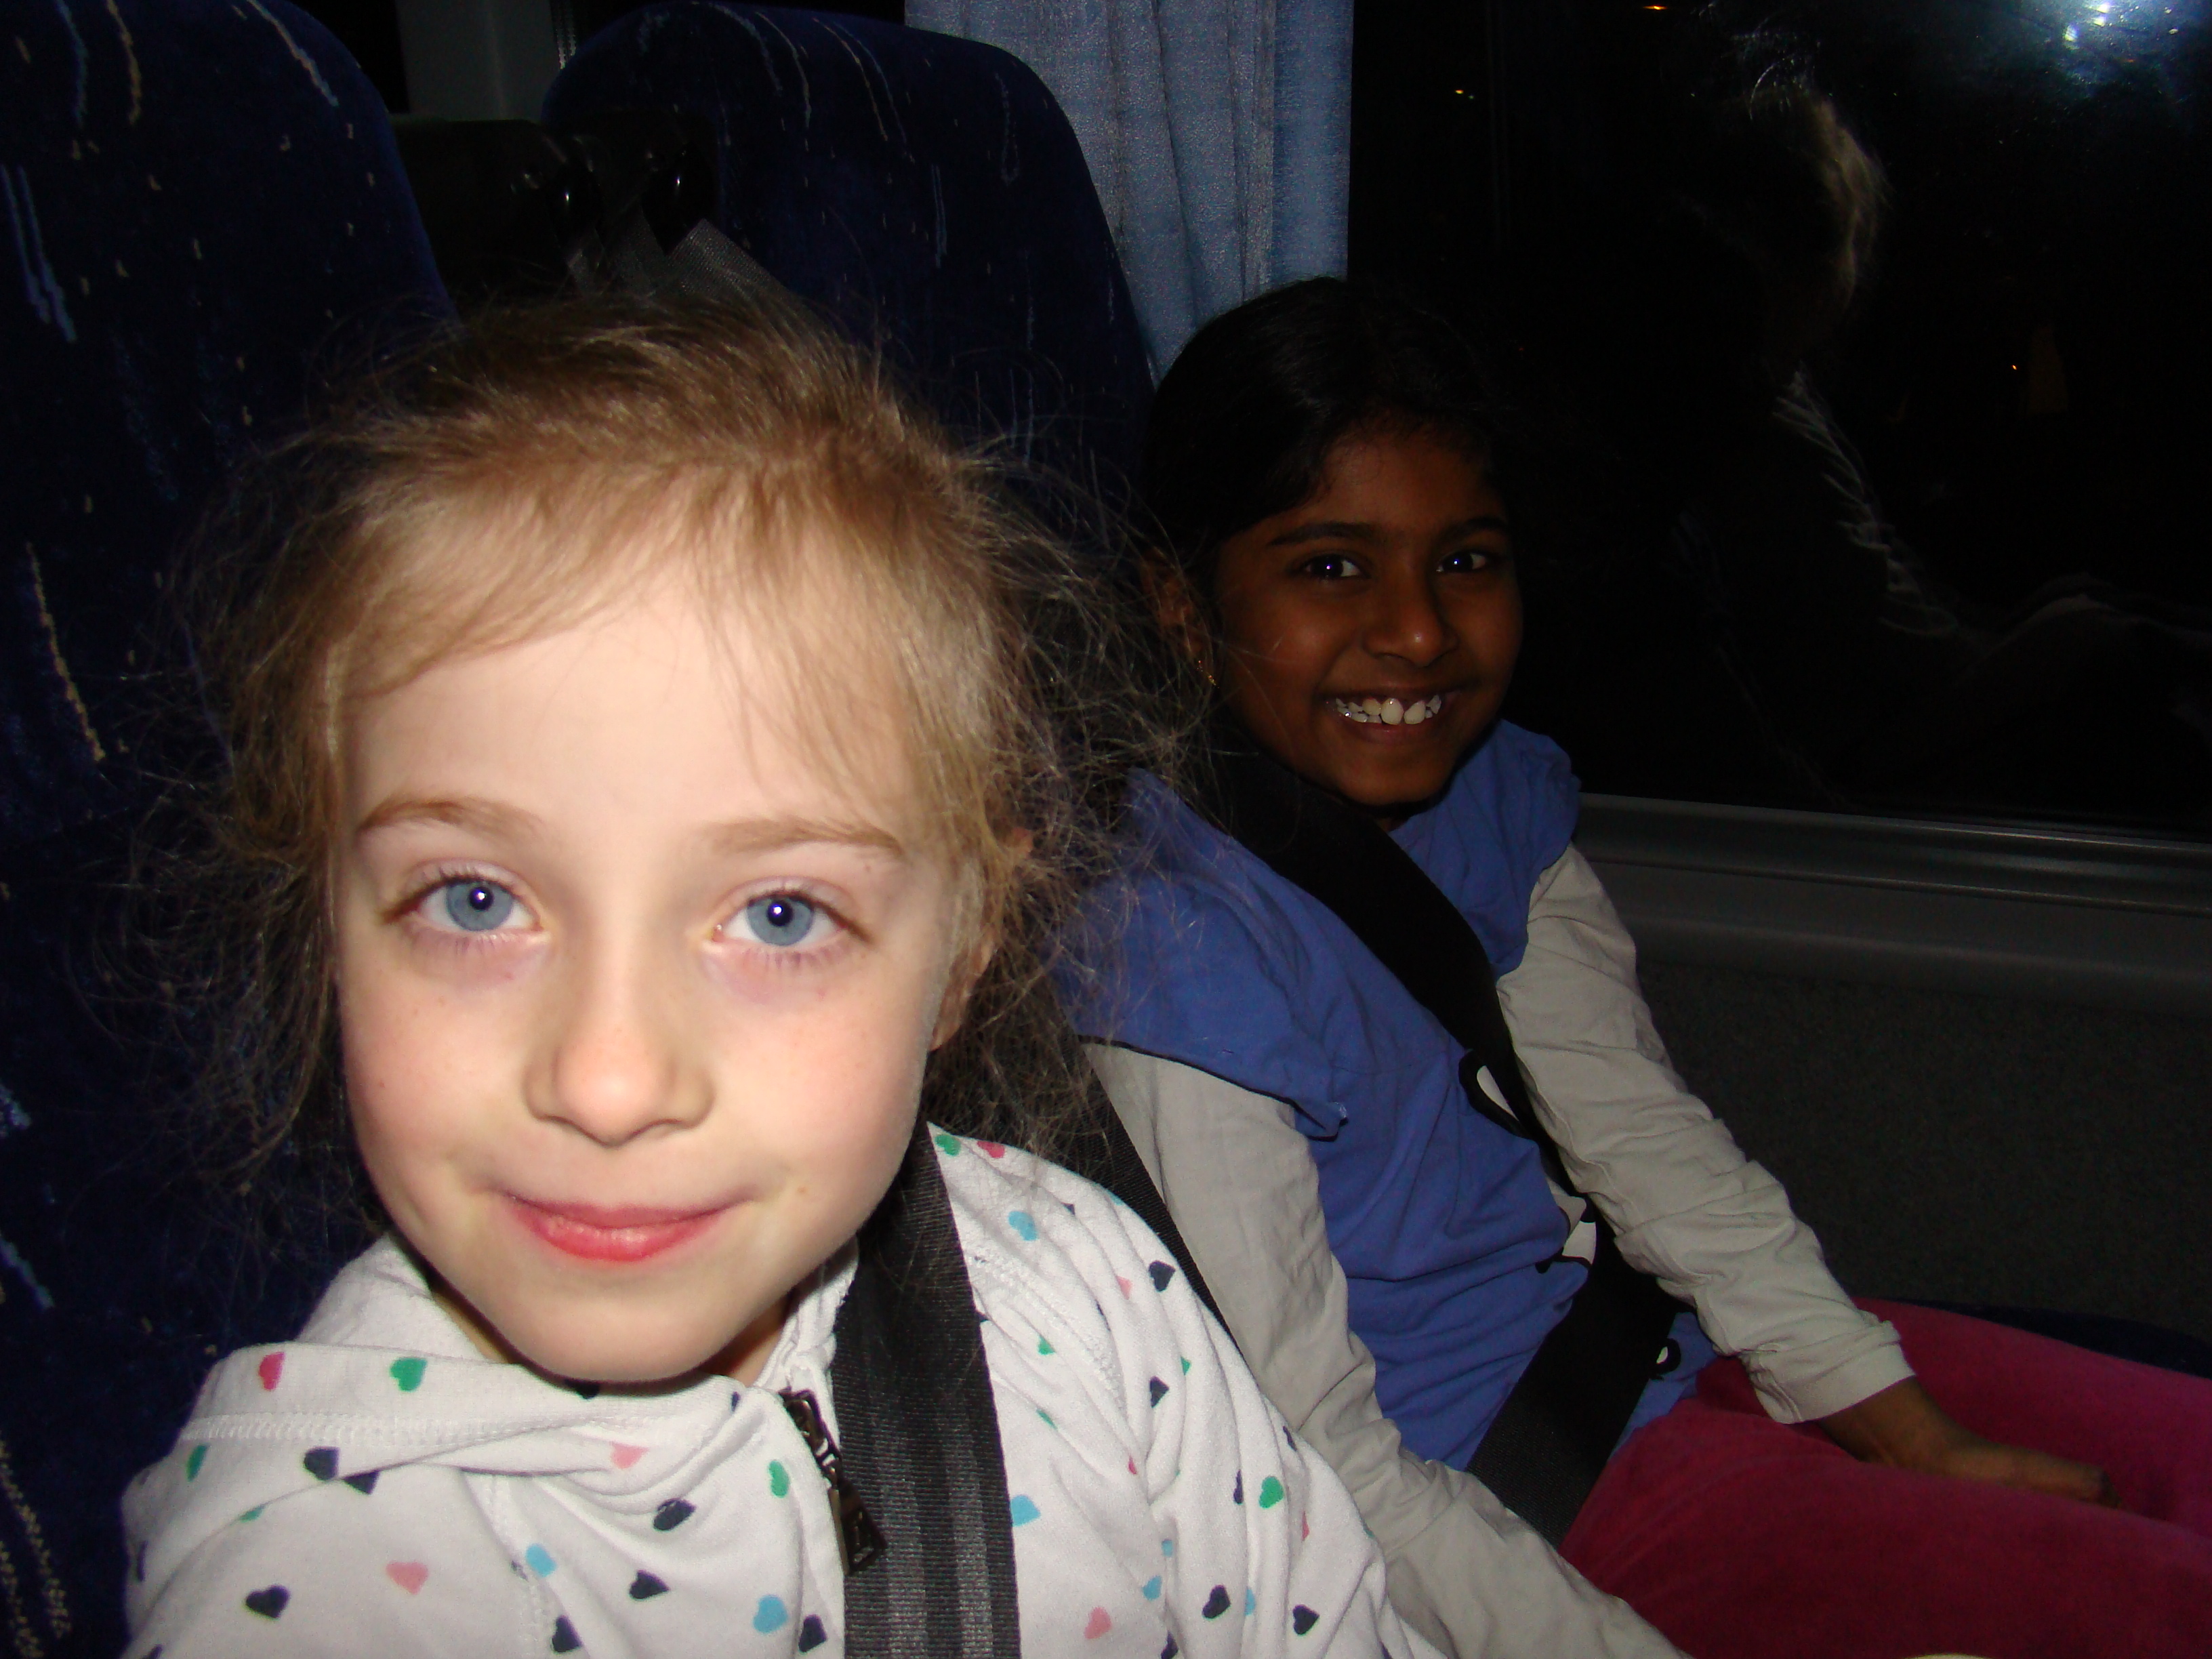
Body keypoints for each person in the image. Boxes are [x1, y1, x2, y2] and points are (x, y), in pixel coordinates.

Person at [119, 298, 1440, 1659]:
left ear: (964, 951)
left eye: (778, 915)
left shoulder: (1088, 1293)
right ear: (331, 921)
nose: (609, 1081)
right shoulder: (318, 1571)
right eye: (477, 900)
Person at [1058, 276, 2212, 1659]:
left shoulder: (1488, 793)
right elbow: (1317, 1465)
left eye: (1466, 561)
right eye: (1331, 567)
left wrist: (1905, 1427)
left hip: (1658, 1347)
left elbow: (1642, 1137)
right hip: (1512, 1515)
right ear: (1181, 607)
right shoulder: (1173, 955)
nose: (1418, 631)